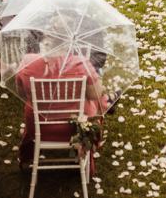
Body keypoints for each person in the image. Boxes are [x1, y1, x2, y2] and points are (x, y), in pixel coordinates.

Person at [14, 14, 107, 168]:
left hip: (37, 127)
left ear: (45, 36)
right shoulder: (80, 64)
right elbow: (94, 94)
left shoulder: (28, 62)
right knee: (97, 102)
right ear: (71, 39)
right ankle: (91, 143)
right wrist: (102, 87)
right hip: (74, 128)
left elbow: (22, 93)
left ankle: (28, 153)